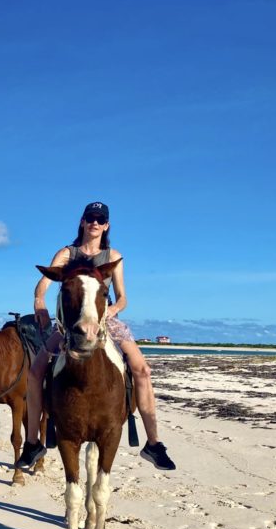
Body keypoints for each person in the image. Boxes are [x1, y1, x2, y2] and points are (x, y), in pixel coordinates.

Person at [15, 201, 176, 471]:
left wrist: (112, 310)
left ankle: (153, 443)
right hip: (70, 324)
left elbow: (123, 298)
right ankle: (32, 442)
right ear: (82, 221)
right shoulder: (67, 253)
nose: (95, 223)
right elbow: (45, 281)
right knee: (35, 371)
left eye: (100, 219)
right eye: (90, 218)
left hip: (105, 321)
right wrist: (39, 300)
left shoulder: (113, 256)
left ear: (106, 225)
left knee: (142, 370)